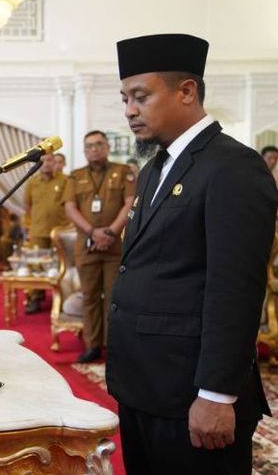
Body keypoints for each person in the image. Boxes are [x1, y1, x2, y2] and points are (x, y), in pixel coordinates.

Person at [107, 33, 278, 474]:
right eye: (125, 99)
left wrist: (216, 394)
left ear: (186, 91)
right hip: (144, 385)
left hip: (192, 392)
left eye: (141, 96)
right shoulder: (153, 169)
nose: (129, 110)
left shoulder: (232, 167)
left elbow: (235, 288)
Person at [62, 130, 135, 363]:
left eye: (99, 144)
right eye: (90, 146)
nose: (95, 149)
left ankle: (112, 345)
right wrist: (93, 232)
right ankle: (92, 345)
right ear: (84, 151)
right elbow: (70, 208)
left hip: (114, 246)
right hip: (86, 245)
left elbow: (130, 203)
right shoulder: (75, 177)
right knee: (90, 296)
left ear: (107, 147)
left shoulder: (123, 172)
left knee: (114, 298)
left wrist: (110, 232)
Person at [23, 153, 69, 313]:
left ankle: (63, 297)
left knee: (61, 265)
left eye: (49, 160)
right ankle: (35, 297)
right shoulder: (32, 182)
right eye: (42, 161)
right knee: (37, 265)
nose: (46, 164)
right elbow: (27, 206)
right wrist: (35, 221)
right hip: (38, 230)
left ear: (54, 162)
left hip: (60, 232)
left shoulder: (65, 180)